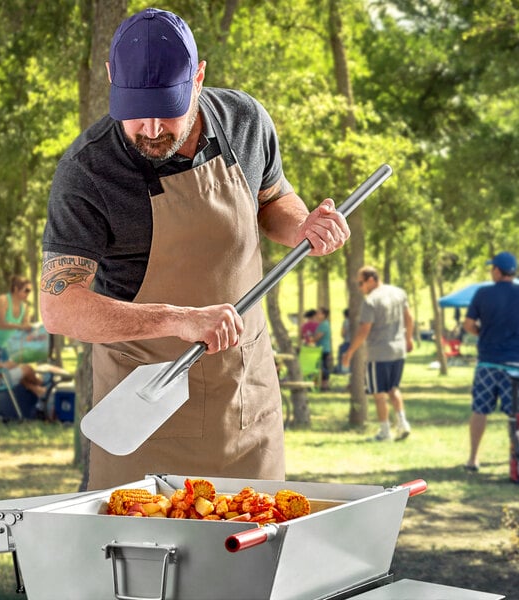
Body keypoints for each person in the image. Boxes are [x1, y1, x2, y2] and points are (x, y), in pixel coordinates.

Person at [40, 7, 350, 489]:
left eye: (166, 108)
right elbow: (60, 308)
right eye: (133, 111)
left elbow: (272, 200)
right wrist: (179, 319)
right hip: (144, 416)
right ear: (109, 78)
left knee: (252, 550)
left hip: (243, 402)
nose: (149, 128)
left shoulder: (245, 121)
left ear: (199, 78)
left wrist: (303, 227)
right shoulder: (88, 173)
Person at [342, 266, 413, 441]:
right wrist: (409, 339)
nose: (360, 288)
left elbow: (364, 329)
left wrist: (349, 352)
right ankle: (403, 423)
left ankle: (385, 431)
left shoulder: (371, 301)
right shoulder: (398, 293)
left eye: (361, 283)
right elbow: (409, 317)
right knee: (393, 388)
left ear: (371, 280)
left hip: (378, 352)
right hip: (398, 349)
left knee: (379, 393)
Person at [462, 251, 519, 472]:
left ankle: (473, 459)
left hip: (487, 363)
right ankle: (515, 462)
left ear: (497, 270)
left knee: (480, 410)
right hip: (515, 365)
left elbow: (468, 324)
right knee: (515, 415)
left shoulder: (483, 293)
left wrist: (483, 333)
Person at [314, 307, 332, 390]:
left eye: (319, 313)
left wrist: (312, 339)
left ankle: (325, 385)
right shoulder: (322, 324)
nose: (317, 315)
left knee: (324, 367)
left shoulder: (324, 324)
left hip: (324, 349)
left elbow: (318, 336)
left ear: (324, 315)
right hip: (321, 349)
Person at [336, 308, 351, 374]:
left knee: (344, 361)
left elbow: (343, 333)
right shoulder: (359, 321)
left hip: (347, 343)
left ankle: (343, 374)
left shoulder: (346, 321)